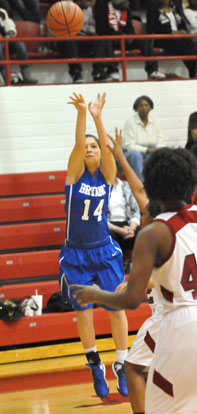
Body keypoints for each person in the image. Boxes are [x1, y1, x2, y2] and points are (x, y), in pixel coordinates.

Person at [71, 146, 197, 414]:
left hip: (180, 323)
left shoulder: (154, 233)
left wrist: (95, 294)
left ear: (153, 186)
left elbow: (129, 300)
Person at [59, 92, 129, 399]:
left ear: (99, 153)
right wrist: (82, 114)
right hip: (76, 253)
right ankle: (95, 365)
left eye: (93, 147)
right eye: (85, 147)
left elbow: (108, 150)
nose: (89, 149)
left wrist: (99, 118)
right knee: (84, 312)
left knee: (116, 307)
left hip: (104, 249)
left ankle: (122, 364)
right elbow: (78, 145)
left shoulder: (108, 176)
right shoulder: (73, 177)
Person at [93, 0, 166, 81]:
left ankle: (153, 70)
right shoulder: (103, 7)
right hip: (110, 38)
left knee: (143, 40)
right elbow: (101, 29)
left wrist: (130, 36)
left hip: (123, 39)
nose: (127, 2)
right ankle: (112, 70)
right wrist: (118, 35)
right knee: (106, 39)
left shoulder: (126, 10)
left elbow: (130, 28)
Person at [56, 0, 110, 83]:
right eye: (87, 1)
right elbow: (56, 29)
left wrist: (92, 33)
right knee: (72, 40)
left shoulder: (88, 9)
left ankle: (98, 71)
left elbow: (90, 27)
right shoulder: (66, 8)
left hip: (82, 39)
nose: (89, 3)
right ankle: (76, 73)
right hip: (66, 41)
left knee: (100, 39)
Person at [146, 0, 197, 78]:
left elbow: (182, 24)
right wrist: (171, 32)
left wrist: (182, 30)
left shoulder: (174, 7)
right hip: (162, 38)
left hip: (178, 38)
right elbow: (153, 27)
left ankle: (193, 70)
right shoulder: (153, 8)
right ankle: (193, 71)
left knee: (190, 42)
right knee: (182, 44)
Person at [108, 154, 141, 271]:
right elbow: (99, 217)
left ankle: (134, 264)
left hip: (127, 223)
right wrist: (119, 230)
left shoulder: (126, 185)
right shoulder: (100, 187)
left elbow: (135, 211)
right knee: (109, 235)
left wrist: (132, 227)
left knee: (142, 232)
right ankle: (115, 265)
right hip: (109, 225)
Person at [122, 95, 163, 180]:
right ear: (136, 108)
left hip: (148, 154)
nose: (144, 108)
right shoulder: (130, 122)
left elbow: (160, 142)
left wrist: (157, 150)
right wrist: (147, 150)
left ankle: (155, 183)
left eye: (146, 105)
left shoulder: (155, 122)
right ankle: (140, 184)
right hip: (131, 154)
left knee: (156, 155)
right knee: (136, 155)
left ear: (150, 107)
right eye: (141, 105)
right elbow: (130, 147)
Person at [0, 0, 38, 84]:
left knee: (19, 44)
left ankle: (27, 76)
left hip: (4, 40)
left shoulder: (2, 12)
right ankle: (7, 77)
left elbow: (9, 23)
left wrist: (10, 33)